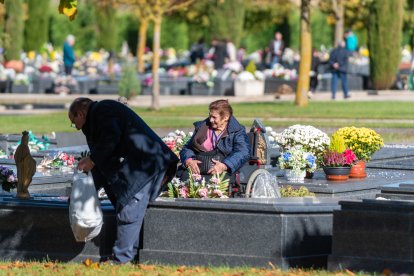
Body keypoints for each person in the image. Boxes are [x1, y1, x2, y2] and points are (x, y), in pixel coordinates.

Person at [68, 97, 179, 264]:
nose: (76, 127)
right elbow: (104, 155)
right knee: (128, 209)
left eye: (73, 121)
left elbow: (110, 139)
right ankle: (128, 257)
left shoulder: (102, 111)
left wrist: (92, 160)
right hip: (142, 165)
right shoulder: (100, 114)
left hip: (143, 166)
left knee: (129, 210)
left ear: (82, 113)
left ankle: (120, 260)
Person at [179, 99, 250, 185]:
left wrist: (224, 165)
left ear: (225, 117)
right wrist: (189, 160)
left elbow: (243, 152)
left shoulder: (237, 131)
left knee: (216, 183)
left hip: (222, 171)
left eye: (214, 117)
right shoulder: (202, 127)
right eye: (210, 116)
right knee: (183, 177)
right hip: (199, 169)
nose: (211, 120)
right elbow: (187, 148)